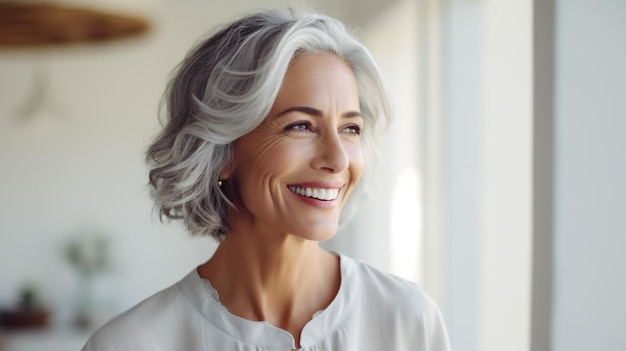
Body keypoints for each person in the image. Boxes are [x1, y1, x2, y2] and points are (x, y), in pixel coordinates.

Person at [82, 8, 450, 351]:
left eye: (350, 128)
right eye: (301, 126)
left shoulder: (408, 321)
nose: (338, 159)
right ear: (221, 150)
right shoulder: (130, 344)